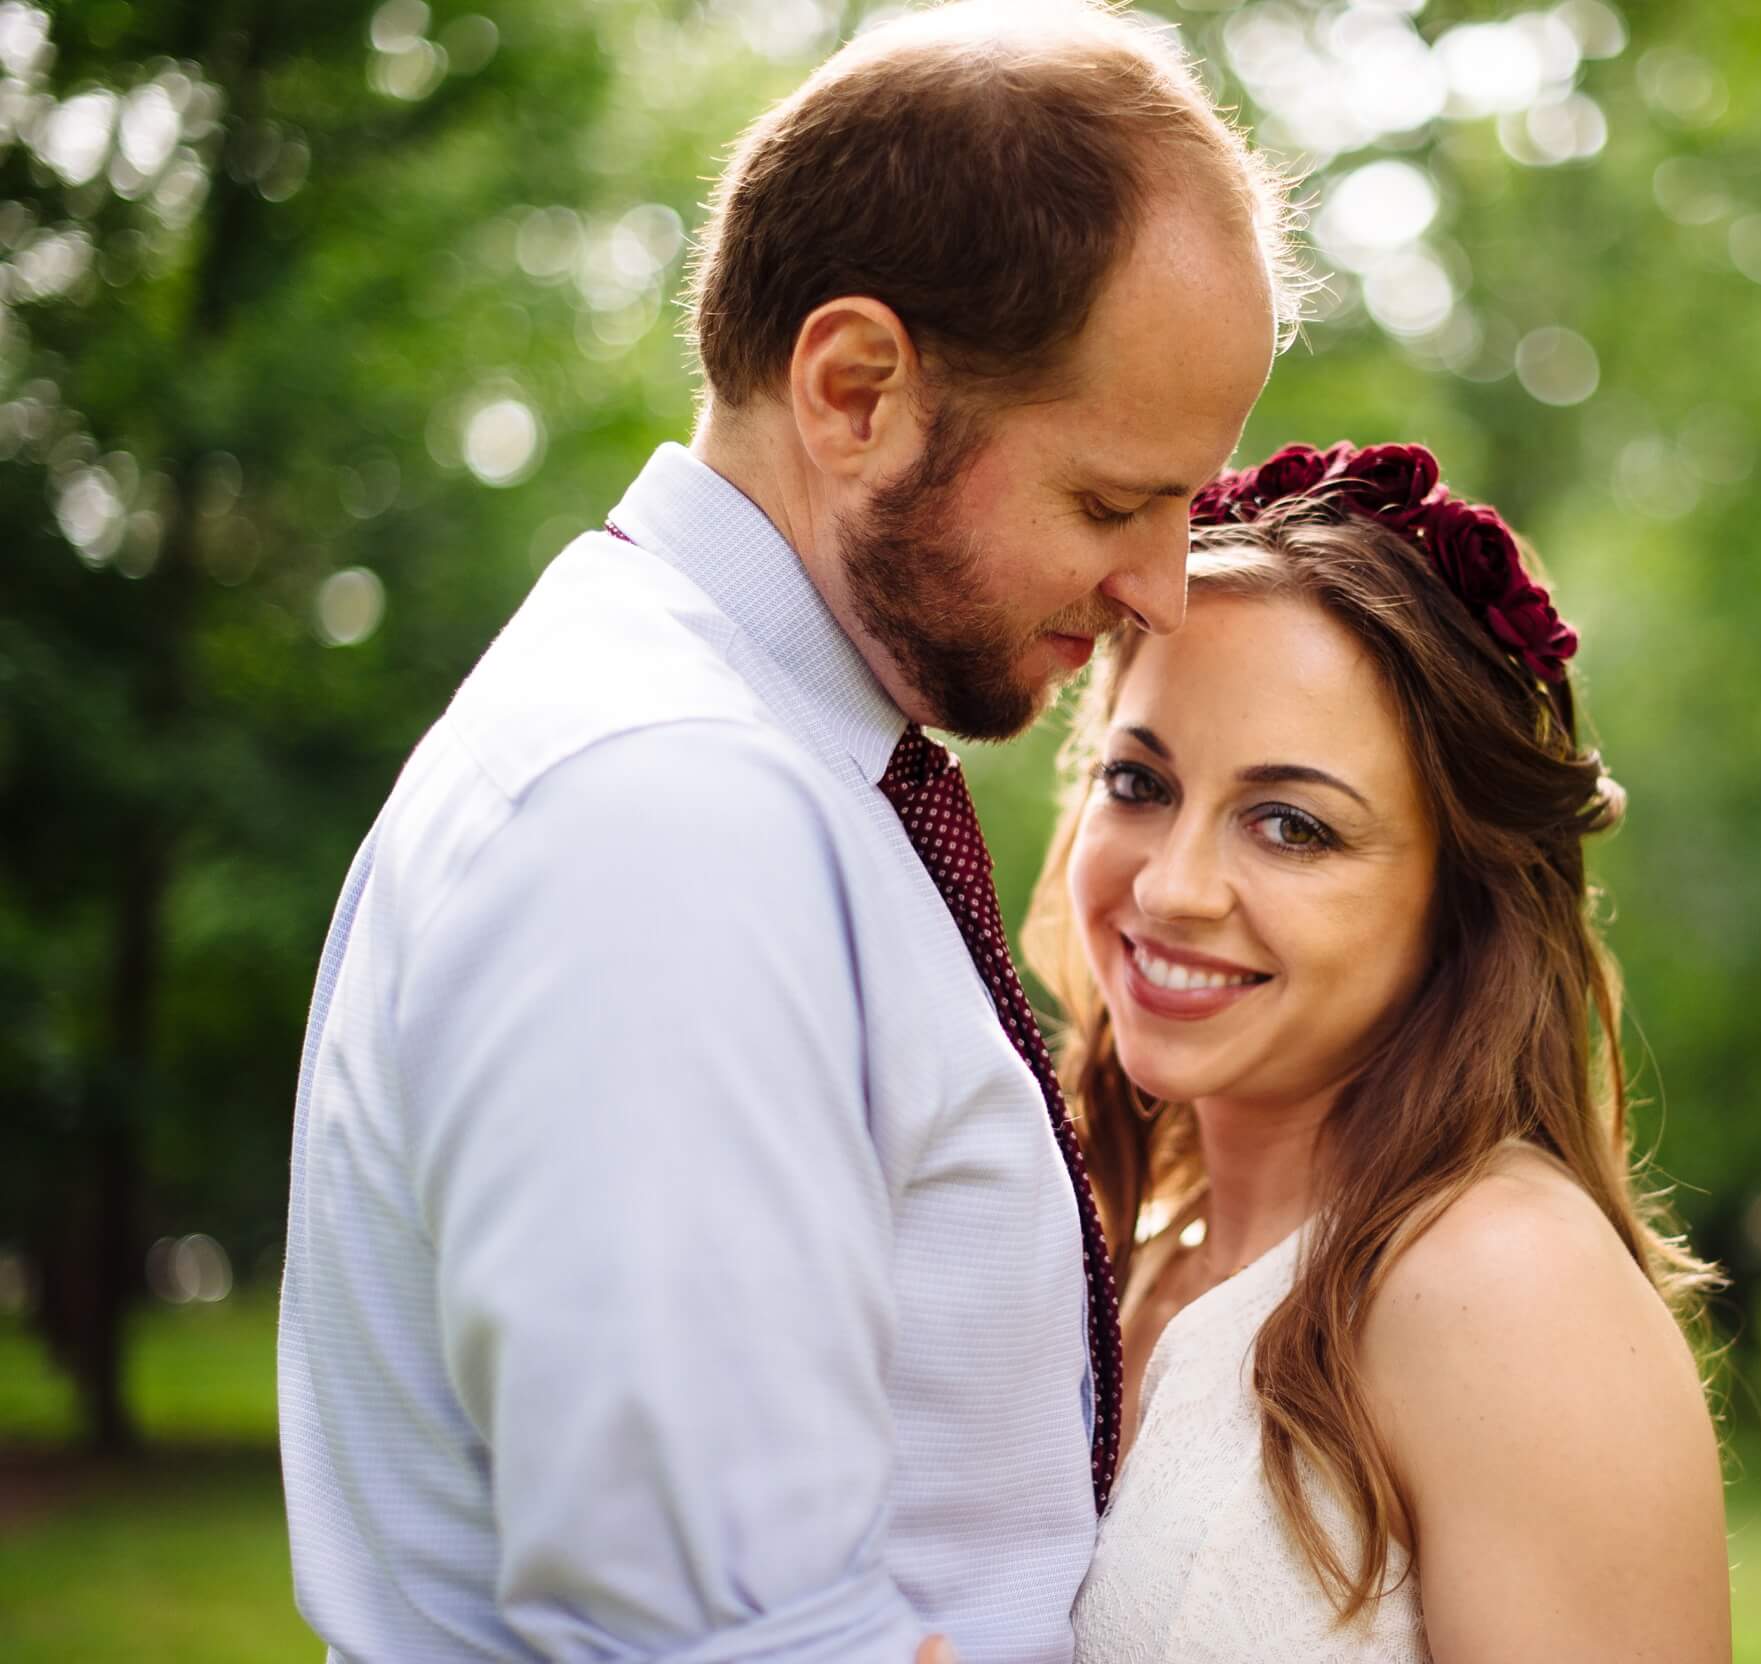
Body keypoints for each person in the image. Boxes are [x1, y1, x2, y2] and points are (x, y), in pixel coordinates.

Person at [275, 4, 1293, 1659]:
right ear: (855, 388)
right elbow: (735, 1639)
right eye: (1113, 501)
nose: (1156, 589)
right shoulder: (665, 820)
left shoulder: (756, 766)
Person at [1023, 442, 1732, 1662]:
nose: (1174, 884)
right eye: (1138, 781)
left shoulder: (1504, 1286)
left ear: (1456, 897)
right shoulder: (1124, 1257)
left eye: (1291, 823)